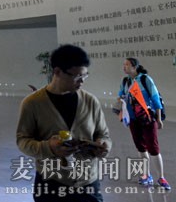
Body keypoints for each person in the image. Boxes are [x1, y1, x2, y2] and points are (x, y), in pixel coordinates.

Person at [16, 44, 111, 201]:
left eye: (85, 76)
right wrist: (49, 148)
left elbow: (103, 134)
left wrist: (103, 145)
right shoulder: (32, 103)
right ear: (57, 72)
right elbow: (22, 141)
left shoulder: (90, 101)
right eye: (77, 77)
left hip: (88, 184)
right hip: (51, 183)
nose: (82, 81)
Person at [118, 57, 170, 190]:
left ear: (134, 67)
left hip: (148, 119)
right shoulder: (125, 81)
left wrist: (158, 119)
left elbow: (155, 99)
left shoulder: (145, 80)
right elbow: (121, 96)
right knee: (140, 148)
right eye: (124, 65)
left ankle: (161, 177)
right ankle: (146, 175)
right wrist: (121, 105)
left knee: (153, 148)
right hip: (133, 120)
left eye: (127, 65)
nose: (124, 67)